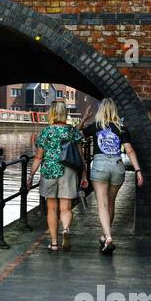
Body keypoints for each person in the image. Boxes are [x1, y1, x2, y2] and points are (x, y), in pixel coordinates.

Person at [82, 98, 144, 254]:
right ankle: (104, 235)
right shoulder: (121, 128)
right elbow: (129, 151)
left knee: (102, 204)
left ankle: (108, 237)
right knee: (111, 203)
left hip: (100, 166)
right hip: (117, 166)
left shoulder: (96, 126)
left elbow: (75, 134)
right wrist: (138, 171)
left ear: (101, 110)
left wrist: (84, 119)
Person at [28, 100, 84, 252]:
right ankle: (65, 229)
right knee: (66, 208)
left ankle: (54, 243)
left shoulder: (46, 132)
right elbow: (80, 156)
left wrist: (31, 175)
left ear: (51, 113)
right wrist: (84, 175)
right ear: (65, 113)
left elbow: (39, 157)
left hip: (49, 171)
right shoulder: (73, 131)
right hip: (68, 171)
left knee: (51, 207)